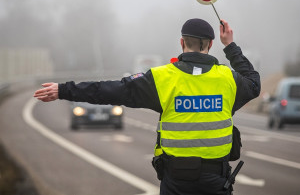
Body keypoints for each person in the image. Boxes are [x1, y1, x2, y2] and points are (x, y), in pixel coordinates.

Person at [34, 19, 260, 195]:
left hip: (176, 182)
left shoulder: (161, 78)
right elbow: (253, 82)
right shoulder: (229, 79)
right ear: (211, 44)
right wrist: (230, 47)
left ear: (182, 42)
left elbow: (110, 89)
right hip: (216, 181)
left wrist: (64, 90)